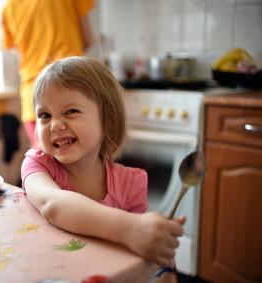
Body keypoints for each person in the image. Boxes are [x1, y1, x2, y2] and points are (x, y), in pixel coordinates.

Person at [21, 57, 186, 272]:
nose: (56, 124)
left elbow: (138, 254)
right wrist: (131, 228)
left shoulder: (130, 183)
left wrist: (154, 245)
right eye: (45, 115)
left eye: (71, 111)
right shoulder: (37, 165)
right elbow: (53, 204)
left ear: (106, 119)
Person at [1, 0, 94, 147]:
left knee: (42, 161)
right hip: (70, 83)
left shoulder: (8, 7)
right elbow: (88, 39)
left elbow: (17, 51)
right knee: (78, 161)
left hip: (33, 94)